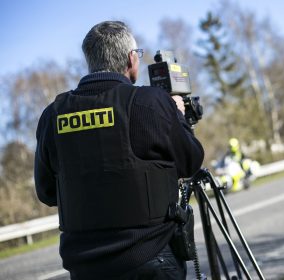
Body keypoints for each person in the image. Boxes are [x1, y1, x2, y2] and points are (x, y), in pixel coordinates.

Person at [34, 21, 204, 280]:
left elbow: (47, 192)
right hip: (150, 257)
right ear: (131, 59)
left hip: (85, 267)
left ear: (90, 60)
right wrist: (177, 115)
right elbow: (191, 160)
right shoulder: (150, 103)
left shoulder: (53, 115)